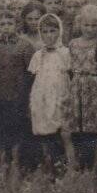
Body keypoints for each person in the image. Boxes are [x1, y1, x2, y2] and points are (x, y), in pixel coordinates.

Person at [0, 12, 35, 167]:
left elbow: (30, 71)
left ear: (17, 25)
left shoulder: (25, 45)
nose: (6, 27)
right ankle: (0, 159)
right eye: (3, 24)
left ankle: (17, 160)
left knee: (16, 127)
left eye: (10, 24)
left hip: (17, 94)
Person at [64, 5, 97, 167]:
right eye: (86, 25)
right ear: (80, 24)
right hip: (76, 86)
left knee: (96, 129)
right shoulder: (73, 44)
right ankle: (75, 163)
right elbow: (69, 67)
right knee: (74, 127)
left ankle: (96, 166)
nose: (89, 29)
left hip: (95, 88)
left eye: (93, 25)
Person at [26, 13, 72, 170]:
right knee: (44, 133)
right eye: (44, 32)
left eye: (52, 31)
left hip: (61, 96)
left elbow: (70, 76)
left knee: (65, 133)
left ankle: (71, 169)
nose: (49, 36)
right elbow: (34, 79)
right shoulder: (38, 55)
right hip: (43, 97)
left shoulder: (65, 53)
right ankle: (49, 168)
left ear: (60, 31)